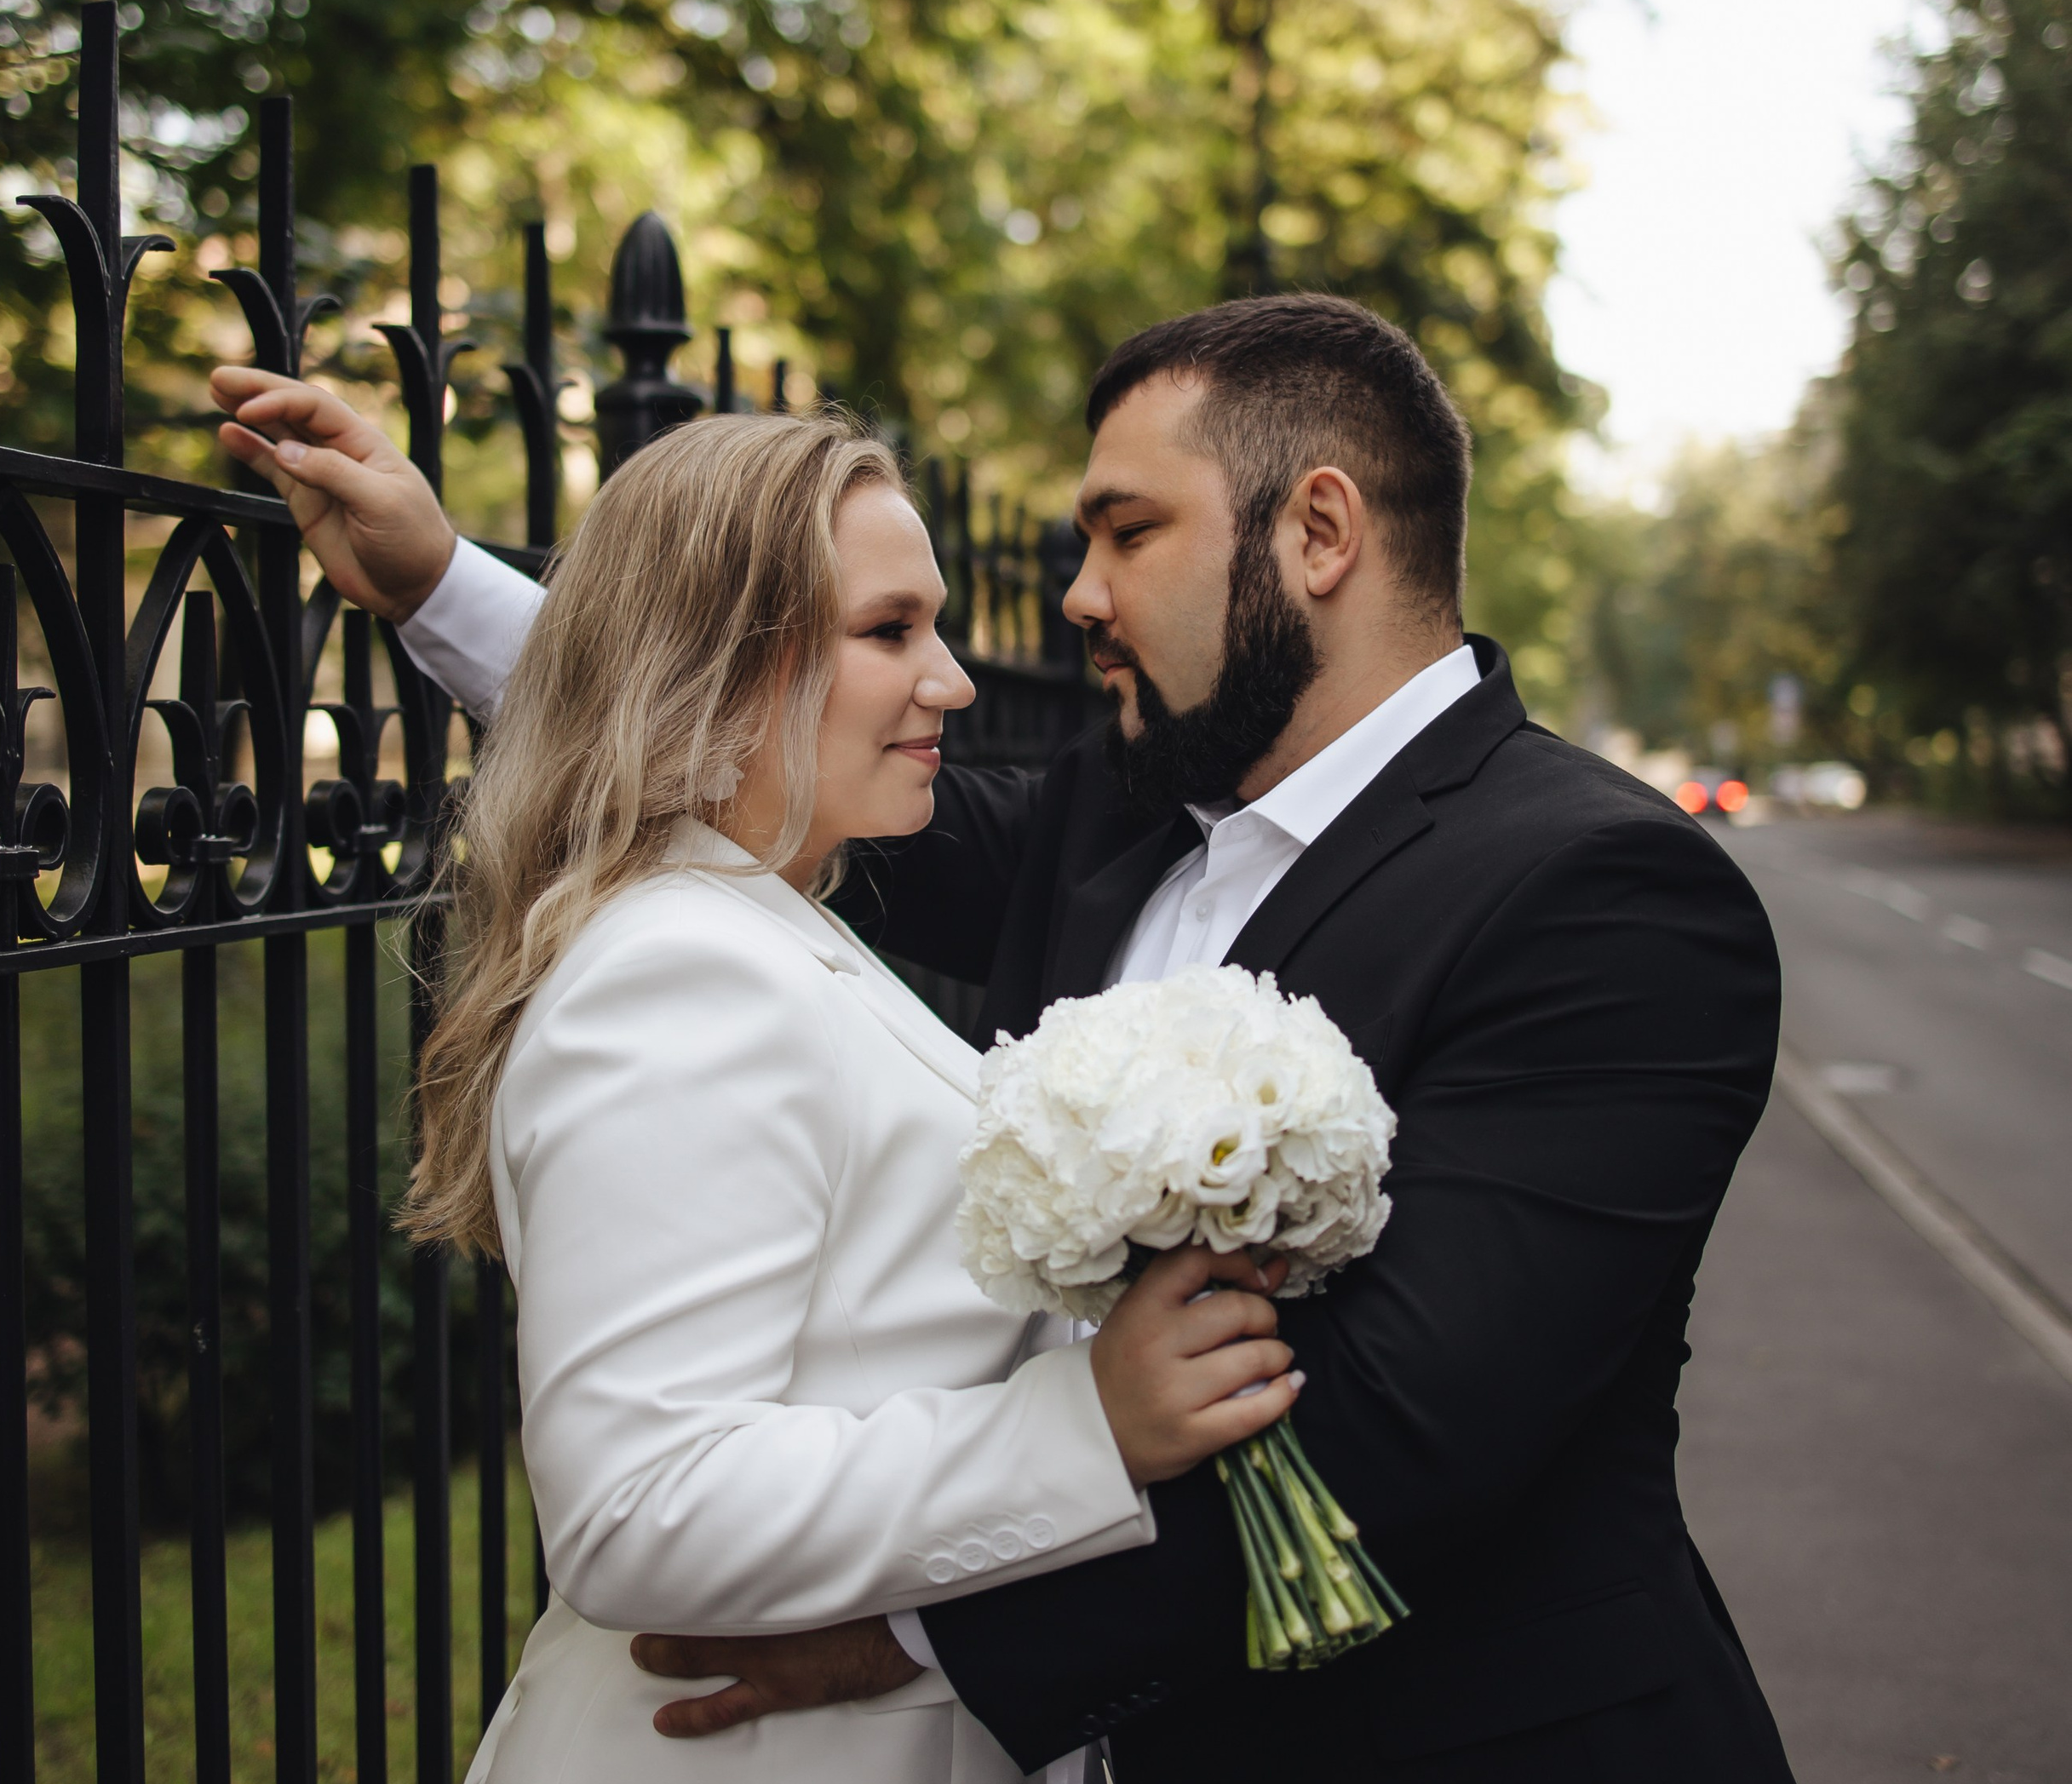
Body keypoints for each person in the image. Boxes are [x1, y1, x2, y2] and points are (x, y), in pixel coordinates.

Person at [211, 290, 1794, 1784]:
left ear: (1319, 532)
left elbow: (1405, 1437)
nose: (1078, 597)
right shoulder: (1111, 820)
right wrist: (441, 586)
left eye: (1127, 529)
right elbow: (740, 725)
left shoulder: (1603, 890)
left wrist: (923, 1636)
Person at [337, 410, 1301, 1784]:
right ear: (722, 669)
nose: (954, 682)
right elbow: (639, 1510)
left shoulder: (771, 918)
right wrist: (1085, 1423)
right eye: (891, 631)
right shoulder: (677, 971)